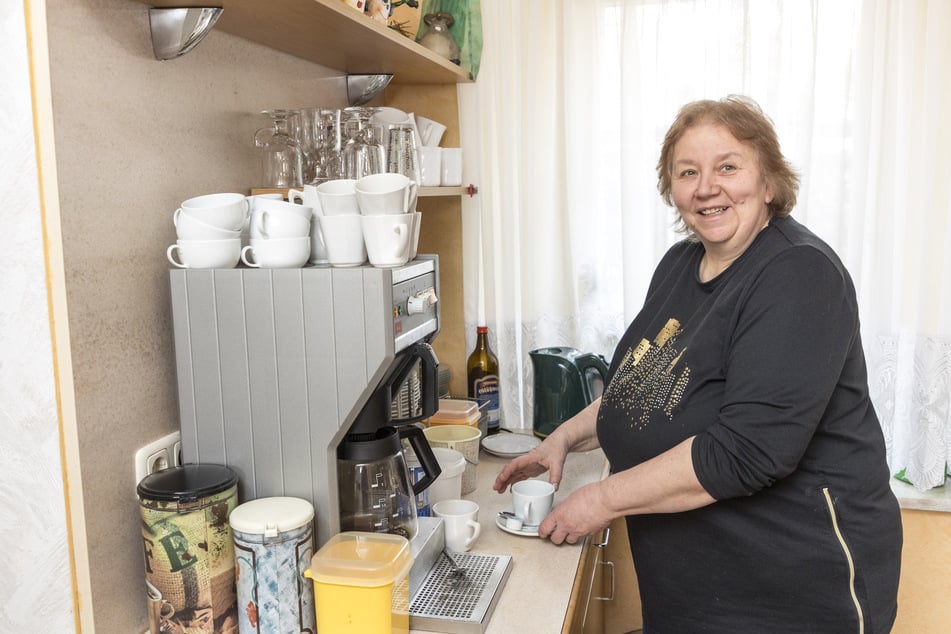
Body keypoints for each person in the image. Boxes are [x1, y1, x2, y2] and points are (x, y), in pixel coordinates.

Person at [494, 95, 901, 633]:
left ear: (770, 182)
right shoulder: (681, 265)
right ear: (672, 189)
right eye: (688, 172)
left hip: (791, 592)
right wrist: (564, 437)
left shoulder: (799, 275)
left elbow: (746, 451)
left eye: (728, 167)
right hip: (700, 587)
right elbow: (645, 389)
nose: (706, 187)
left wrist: (601, 500)